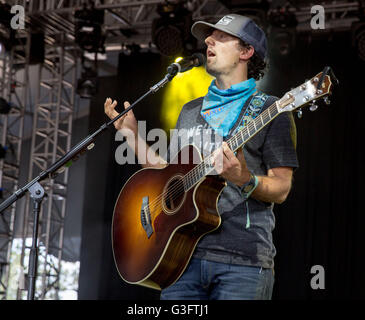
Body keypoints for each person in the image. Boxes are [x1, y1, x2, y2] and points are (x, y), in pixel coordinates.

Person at [104, 14, 298, 300]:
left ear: (246, 52)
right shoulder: (190, 110)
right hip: (180, 260)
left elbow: (281, 188)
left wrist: (243, 178)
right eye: (209, 36)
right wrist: (132, 135)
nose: (209, 41)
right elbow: (167, 176)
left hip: (242, 263)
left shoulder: (272, 110)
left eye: (221, 37)